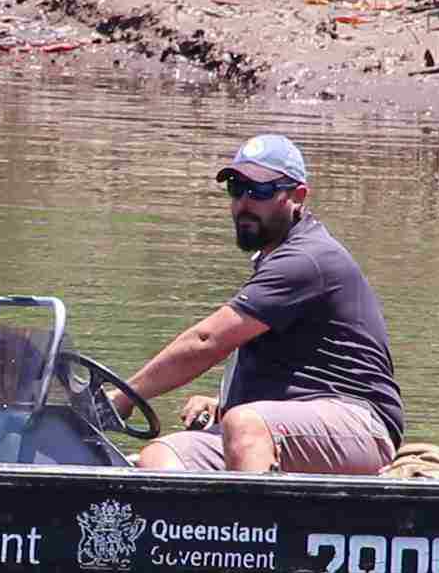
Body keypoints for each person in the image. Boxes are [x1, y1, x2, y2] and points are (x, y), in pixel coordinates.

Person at [110, 133, 403, 474]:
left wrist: (124, 397)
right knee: (163, 454)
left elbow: (208, 341)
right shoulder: (275, 259)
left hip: (360, 426)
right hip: (289, 423)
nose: (245, 202)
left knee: (245, 425)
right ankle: (204, 528)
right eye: (236, 187)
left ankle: (256, 526)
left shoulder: (306, 259)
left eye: (261, 190)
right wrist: (224, 405)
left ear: (297, 196)